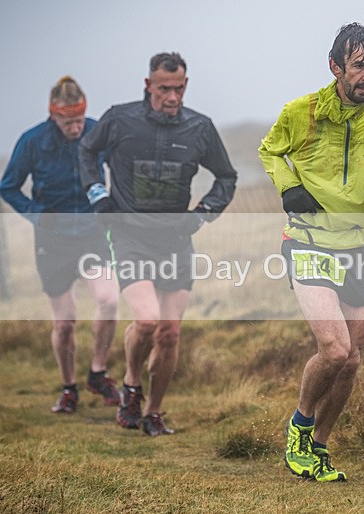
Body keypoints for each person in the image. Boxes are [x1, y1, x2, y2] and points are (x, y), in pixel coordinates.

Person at [259, 23, 364, 482]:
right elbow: (270, 152)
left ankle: (319, 448)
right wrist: (289, 188)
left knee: (354, 358)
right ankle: (300, 427)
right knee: (335, 348)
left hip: (359, 245)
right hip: (308, 240)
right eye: (359, 65)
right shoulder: (301, 112)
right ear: (335, 67)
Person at [79, 52, 237, 437]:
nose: (172, 96)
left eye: (179, 88)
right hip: (130, 235)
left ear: (186, 86)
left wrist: (202, 213)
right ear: (148, 86)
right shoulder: (120, 119)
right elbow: (86, 150)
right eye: (164, 88)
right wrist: (99, 195)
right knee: (147, 320)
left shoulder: (200, 128)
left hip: (176, 240)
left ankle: (153, 412)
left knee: (169, 333)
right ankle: (131, 384)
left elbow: (226, 178)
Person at [0, 76, 120, 414]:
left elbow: (120, 169)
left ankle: (98, 372)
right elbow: (7, 187)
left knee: (109, 300)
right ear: (54, 115)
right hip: (53, 241)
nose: (76, 127)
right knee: (65, 322)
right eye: (69, 122)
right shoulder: (32, 142)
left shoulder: (97, 133)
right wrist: (38, 214)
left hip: (94, 233)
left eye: (79, 120)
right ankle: (69, 389)